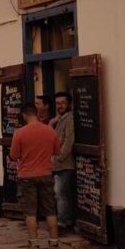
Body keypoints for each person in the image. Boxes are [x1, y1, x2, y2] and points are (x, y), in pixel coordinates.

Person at [10, 103, 62, 249]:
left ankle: (35, 246)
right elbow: (56, 151)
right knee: (50, 211)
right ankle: (55, 245)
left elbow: (14, 155)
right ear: (37, 113)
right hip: (45, 173)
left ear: (25, 115)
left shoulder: (19, 133)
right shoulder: (50, 131)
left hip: (27, 175)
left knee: (30, 213)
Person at [51, 91, 75, 231]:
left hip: (65, 163)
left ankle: (63, 222)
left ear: (69, 104)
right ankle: (66, 219)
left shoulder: (69, 119)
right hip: (57, 164)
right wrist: (53, 121)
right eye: (58, 103)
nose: (60, 106)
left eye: (63, 103)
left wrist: (59, 157)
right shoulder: (59, 119)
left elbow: (69, 141)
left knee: (60, 192)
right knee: (62, 193)